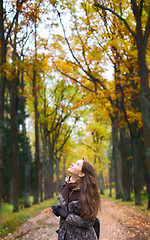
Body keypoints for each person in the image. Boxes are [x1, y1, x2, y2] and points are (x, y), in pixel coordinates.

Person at [52, 158, 101, 240]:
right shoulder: (65, 186)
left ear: (81, 174)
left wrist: (66, 215)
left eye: (77, 164)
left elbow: (88, 222)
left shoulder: (87, 192)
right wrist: (59, 211)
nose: (72, 163)